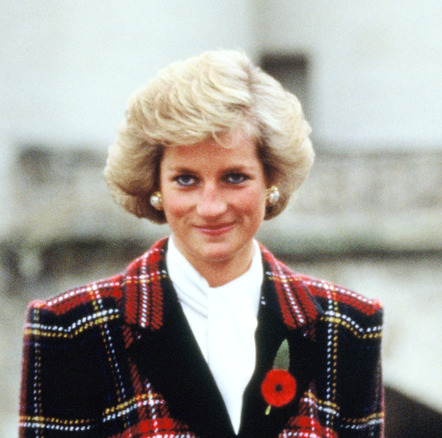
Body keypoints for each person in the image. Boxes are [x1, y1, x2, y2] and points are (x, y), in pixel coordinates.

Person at [19, 50, 384, 437]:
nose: (210, 207)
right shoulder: (73, 330)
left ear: (271, 179)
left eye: (235, 177)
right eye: (186, 179)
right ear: (155, 185)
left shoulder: (347, 327)